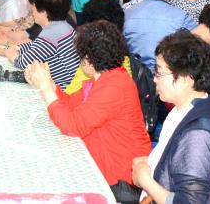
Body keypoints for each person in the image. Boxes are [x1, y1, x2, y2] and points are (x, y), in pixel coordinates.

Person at [25, 21, 151, 203]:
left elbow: (72, 125)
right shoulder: (104, 79)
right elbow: (71, 104)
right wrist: (48, 83)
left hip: (121, 179)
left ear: (89, 58)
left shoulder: (115, 86)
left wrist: (45, 89)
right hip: (107, 165)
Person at [132, 31, 210, 204]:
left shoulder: (199, 134)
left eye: (159, 72)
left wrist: (145, 180)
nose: (155, 79)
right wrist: (152, 163)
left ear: (185, 79)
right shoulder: (182, 109)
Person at [0, 0, 79, 88]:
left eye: (33, 9)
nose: (32, 14)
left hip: (60, 88)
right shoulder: (63, 26)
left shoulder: (50, 34)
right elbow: (33, 47)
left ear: (44, 12)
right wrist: (10, 49)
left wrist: (11, 54)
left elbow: (23, 63)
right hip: (65, 83)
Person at [125, 0, 198, 70]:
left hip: (135, 75)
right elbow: (200, 42)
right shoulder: (182, 17)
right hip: (169, 74)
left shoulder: (127, 13)